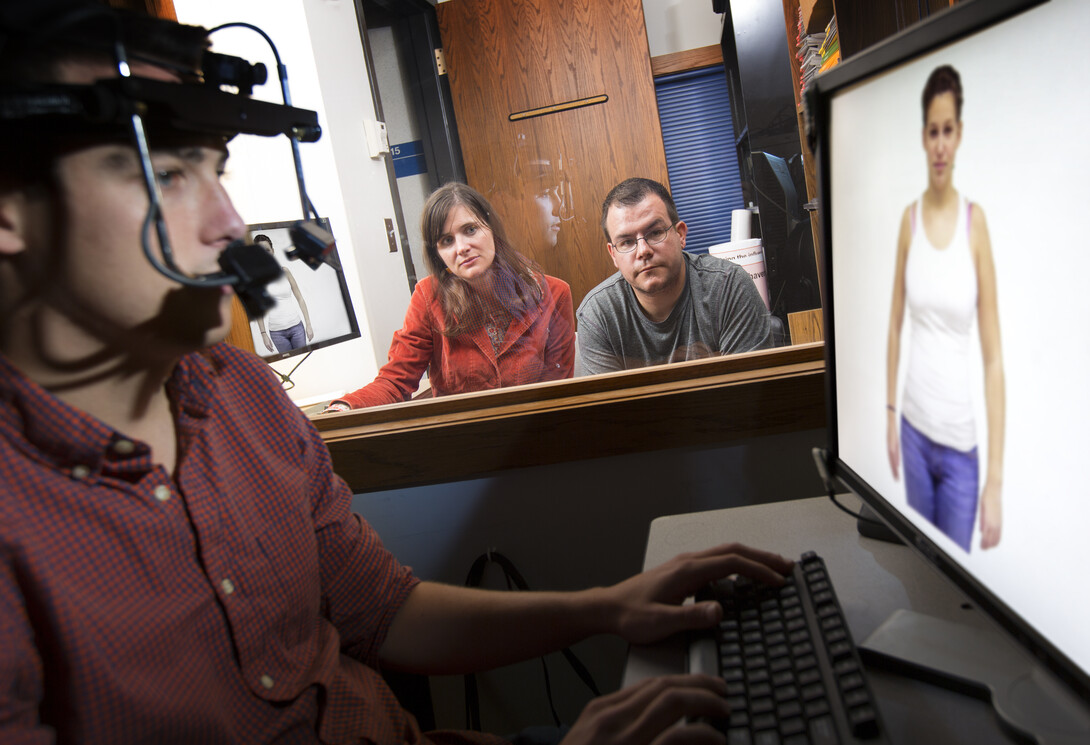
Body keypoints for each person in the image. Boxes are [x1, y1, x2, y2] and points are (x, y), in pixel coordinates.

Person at [0, 4, 796, 742]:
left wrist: (609, 608)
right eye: (166, 175)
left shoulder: (246, 400)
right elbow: (395, 377)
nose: (231, 224)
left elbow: (385, 610)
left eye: (218, 172)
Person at [886, 64, 1006, 553]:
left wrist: (994, 482)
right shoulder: (908, 222)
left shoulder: (976, 226)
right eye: (932, 131)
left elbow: (995, 359)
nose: (940, 143)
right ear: (923, 136)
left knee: (957, 587)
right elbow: (894, 328)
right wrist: (891, 415)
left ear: (959, 136)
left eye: (948, 131)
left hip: (960, 449)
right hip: (913, 433)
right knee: (919, 574)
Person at [323, 182, 574, 411]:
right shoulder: (428, 297)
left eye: (471, 229)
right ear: (438, 254)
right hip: (461, 442)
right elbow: (396, 381)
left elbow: (558, 391)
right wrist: (344, 408)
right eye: (446, 240)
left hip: (532, 437)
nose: (461, 247)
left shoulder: (553, 293)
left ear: (492, 229)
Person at [575, 178, 772, 376]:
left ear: (681, 235)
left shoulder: (729, 286)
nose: (643, 251)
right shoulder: (598, 315)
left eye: (655, 233)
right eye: (626, 242)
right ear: (613, 254)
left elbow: (750, 396)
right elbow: (610, 406)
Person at [253, 233, 314, 354]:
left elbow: (300, 298)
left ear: (272, 251)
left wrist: (308, 324)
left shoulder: (285, 271)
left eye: (267, 250)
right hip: (277, 333)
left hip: (297, 328)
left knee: (303, 360)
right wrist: (263, 334)